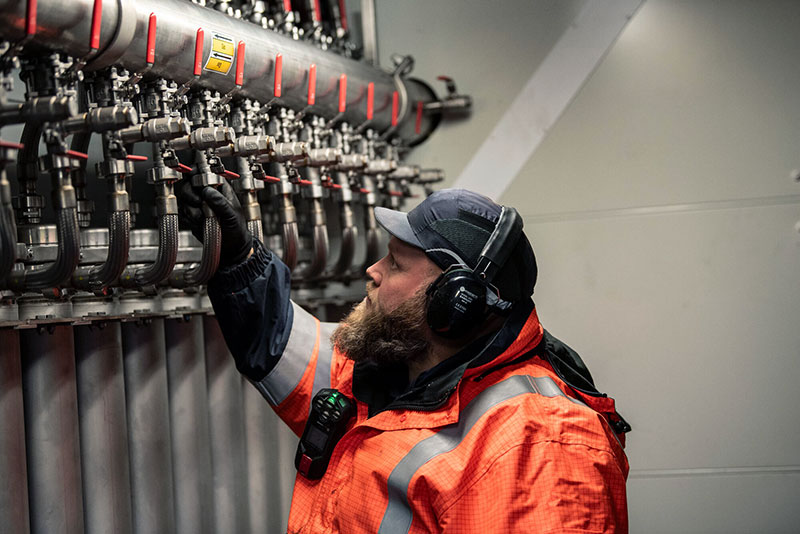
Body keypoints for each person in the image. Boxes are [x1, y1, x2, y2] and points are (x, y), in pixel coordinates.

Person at [179, 183, 631, 533]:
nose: (372, 271)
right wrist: (238, 257)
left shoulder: (539, 444)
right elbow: (279, 345)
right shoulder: (393, 374)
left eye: (395, 263)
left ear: (457, 302)